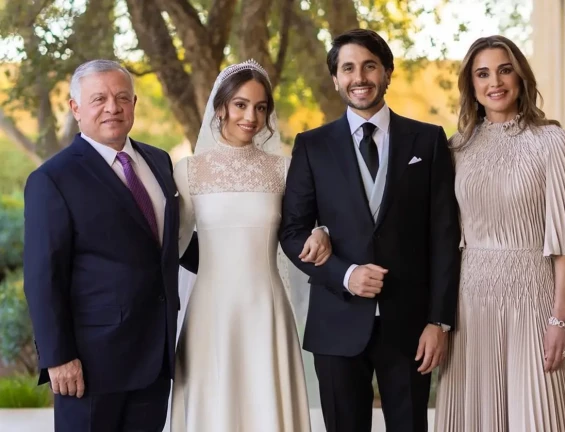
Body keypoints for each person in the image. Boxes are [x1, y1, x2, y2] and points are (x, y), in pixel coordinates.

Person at [279, 28, 461, 432]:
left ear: (388, 72)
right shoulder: (312, 146)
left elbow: (445, 237)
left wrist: (439, 321)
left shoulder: (428, 141)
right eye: (348, 68)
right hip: (336, 323)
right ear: (335, 79)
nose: (358, 77)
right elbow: (292, 232)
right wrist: (345, 274)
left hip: (411, 325)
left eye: (369, 66)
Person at [23, 59, 198, 432]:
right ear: (75, 108)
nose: (112, 107)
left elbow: (171, 245)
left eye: (121, 97)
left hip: (155, 356)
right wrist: (59, 357)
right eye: (98, 98)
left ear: (134, 102)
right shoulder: (53, 179)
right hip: (89, 365)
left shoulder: (159, 161)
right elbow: (43, 276)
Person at [434, 35, 565, 432]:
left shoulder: (553, 143)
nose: (495, 82)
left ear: (520, 76)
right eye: (482, 73)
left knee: (537, 415)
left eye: (505, 70)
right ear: (471, 85)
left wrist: (561, 319)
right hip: (470, 302)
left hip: (532, 299)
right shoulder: (456, 149)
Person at [169, 59, 329, 432]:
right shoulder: (188, 170)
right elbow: (172, 246)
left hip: (266, 307)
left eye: (260, 107)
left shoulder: (283, 169)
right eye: (241, 104)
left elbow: (305, 226)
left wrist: (323, 232)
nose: (251, 116)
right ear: (221, 106)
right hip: (210, 311)